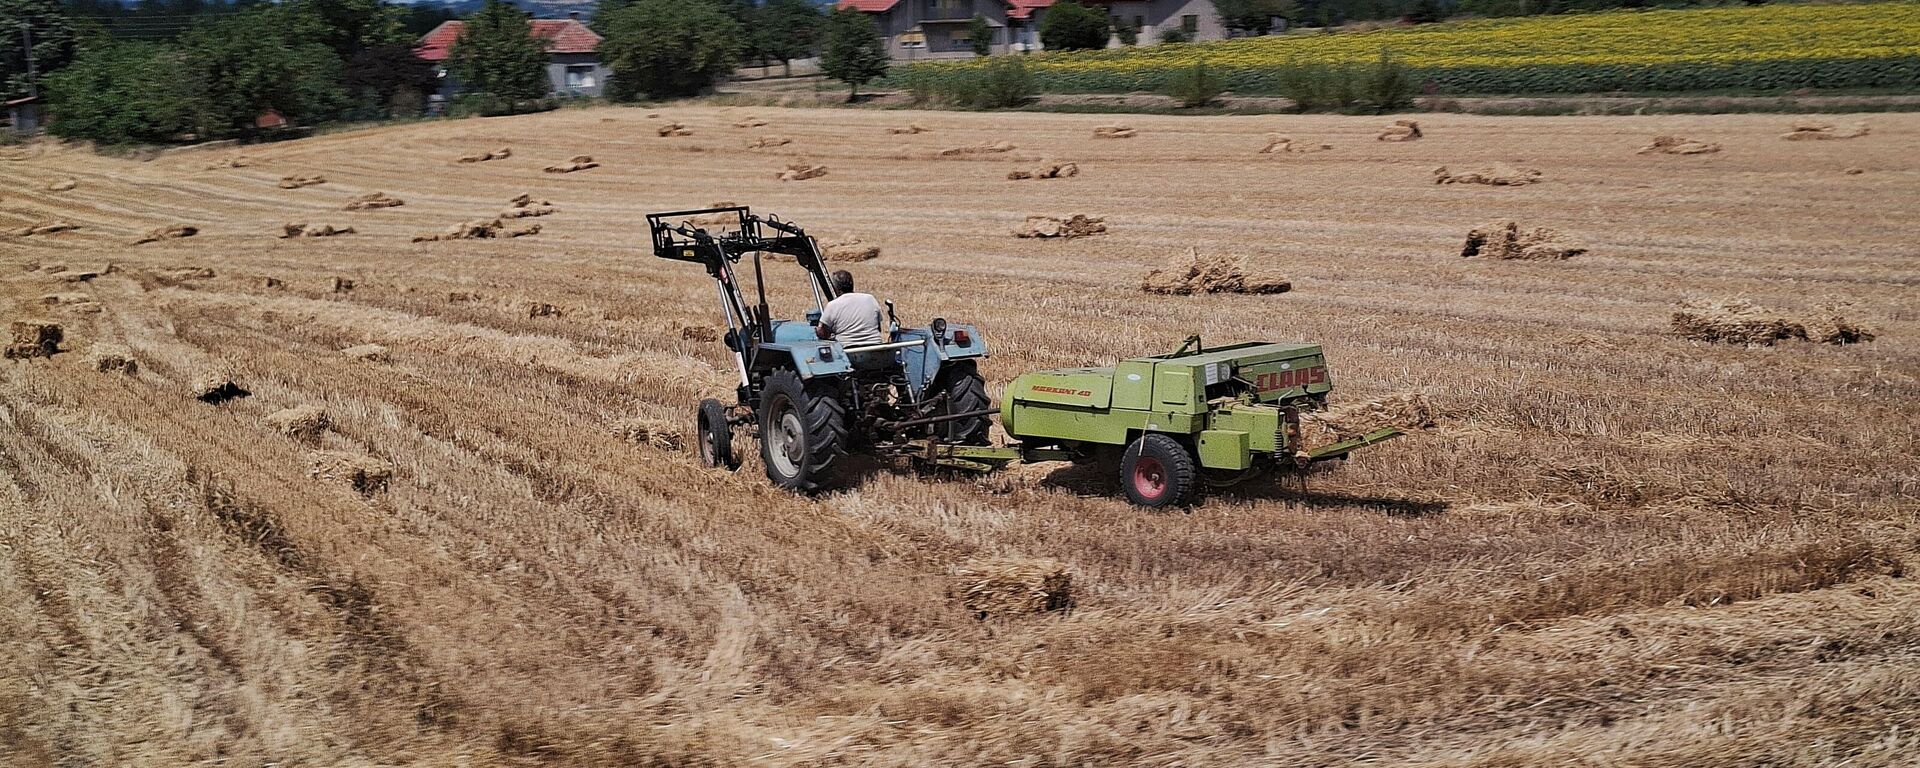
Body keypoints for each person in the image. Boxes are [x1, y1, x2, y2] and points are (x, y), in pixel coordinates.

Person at [815, 269, 885, 347]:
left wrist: (818, 331)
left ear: (835, 287)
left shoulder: (833, 305)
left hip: (847, 349)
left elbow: (823, 333)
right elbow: (878, 327)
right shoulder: (870, 299)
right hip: (875, 346)